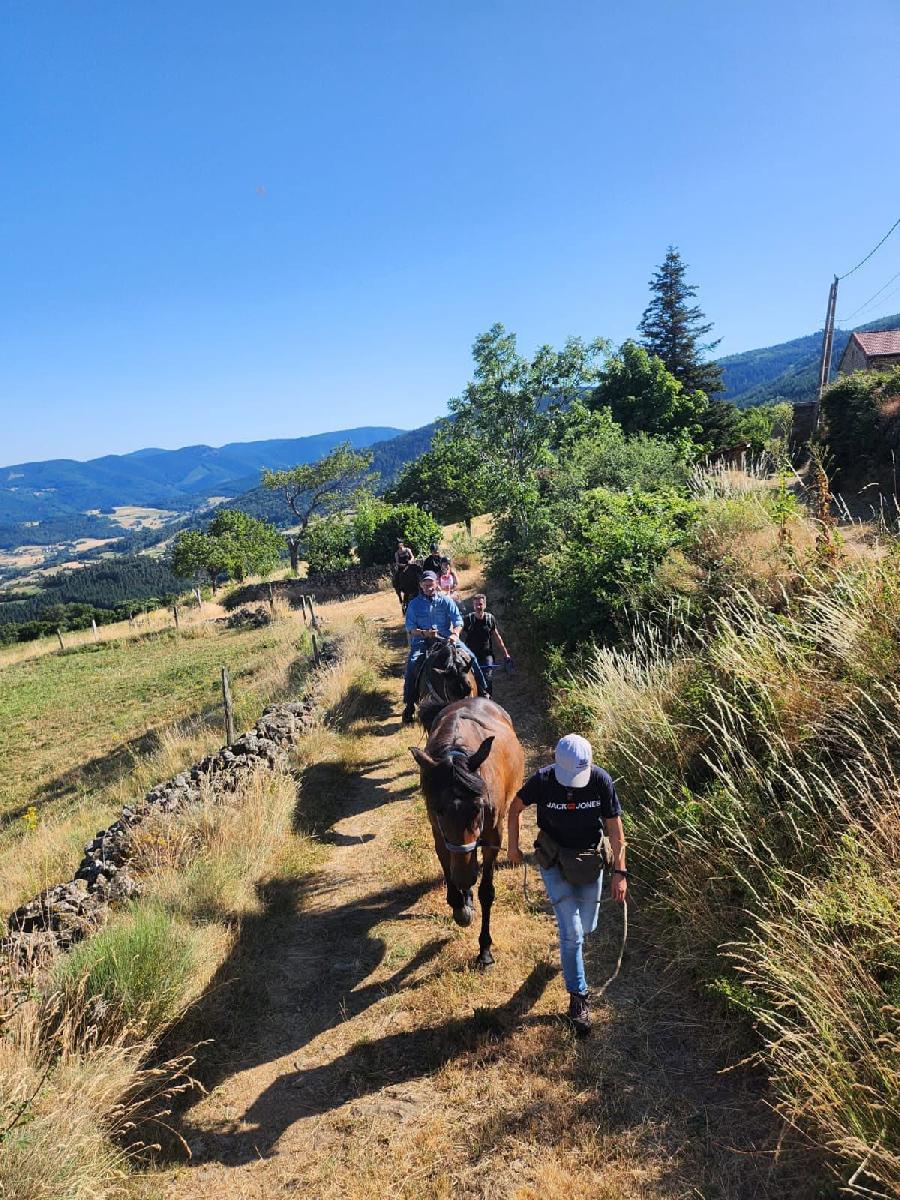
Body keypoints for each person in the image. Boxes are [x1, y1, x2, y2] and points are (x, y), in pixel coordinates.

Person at [507, 734, 627, 1036]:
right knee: (572, 933)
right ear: (555, 763)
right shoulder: (544, 779)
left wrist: (620, 872)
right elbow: (515, 807)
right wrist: (513, 846)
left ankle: (567, 958)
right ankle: (578, 999)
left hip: (589, 862)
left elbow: (614, 828)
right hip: (554, 861)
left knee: (587, 926)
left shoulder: (601, 781)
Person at [402, 572, 488, 723]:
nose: (429, 587)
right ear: (421, 585)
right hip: (422, 641)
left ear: (436, 583)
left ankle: (484, 692)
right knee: (412, 664)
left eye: (431, 584)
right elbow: (410, 628)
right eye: (426, 584)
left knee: (471, 657)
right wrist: (424, 633)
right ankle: (409, 704)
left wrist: (455, 634)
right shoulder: (414, 604)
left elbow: (458, 621)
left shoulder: (446, 601)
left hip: (446, 638)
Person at [461, 594, 512, 697]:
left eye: (480, 604)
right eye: (476, 605)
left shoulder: (489, 619)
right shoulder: (468, 620)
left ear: (484, 605)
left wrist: (506, 654)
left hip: (486, 654)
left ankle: (488, 699)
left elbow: (497, 637)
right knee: (472, 679)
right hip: (471, 655)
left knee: (487, 677)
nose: (478, 607)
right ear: (473, 606)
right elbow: (458, 634)